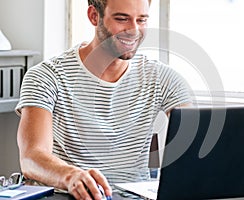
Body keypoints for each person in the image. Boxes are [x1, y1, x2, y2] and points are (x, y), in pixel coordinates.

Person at [15, 0, 192, 199]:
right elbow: (31, 157)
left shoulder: (163, 78)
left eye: (141, 20)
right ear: (94, 16)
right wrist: (71, 176)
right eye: (122, 19)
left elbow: (196, 144)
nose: (134, 30)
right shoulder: (47, 76)